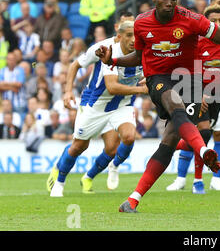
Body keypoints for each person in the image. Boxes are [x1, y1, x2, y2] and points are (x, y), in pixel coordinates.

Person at [95, 0, 220, 213]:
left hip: (190, 80)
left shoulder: (191, 19)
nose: (169, 3)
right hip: (159, 78)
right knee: (174, 104)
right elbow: (138, 56)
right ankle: (202, 150)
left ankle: (133, 199)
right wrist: (112, 60)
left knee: (168, 142)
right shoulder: (141, 23)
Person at [46, 19, 147, 197]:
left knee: (126, 139)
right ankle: (60, 180)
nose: (133, 40)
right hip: (95, 104)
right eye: (129, 35)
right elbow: (108, 84)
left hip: (122, 104)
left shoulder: (144, 51)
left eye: (136, 35)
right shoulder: (105, 50)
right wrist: (68, 91)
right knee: (79, 147)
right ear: (119, 35)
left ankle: (107, 169)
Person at [167, 5, 220, 193]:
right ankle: (197, 181)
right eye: (213, 21)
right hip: (194, 92)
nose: (217, 24)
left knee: (203, 136)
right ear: (205, 22)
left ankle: (172, 144)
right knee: (204, 133)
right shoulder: (196, 41)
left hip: (218, 95)